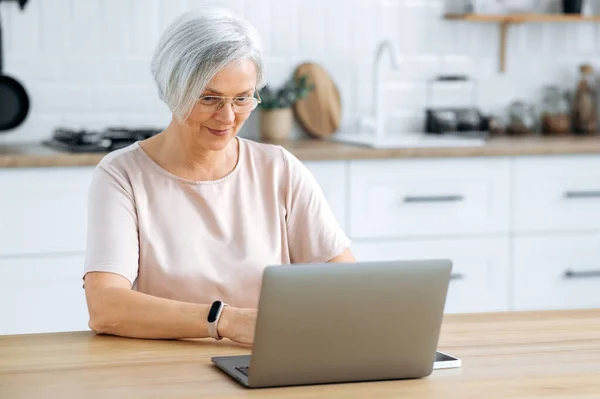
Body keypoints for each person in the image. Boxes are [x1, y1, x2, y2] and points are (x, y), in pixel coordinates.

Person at [82, 7, 355, 346]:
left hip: (267, 362)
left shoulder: (278, 169)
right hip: (163, 368)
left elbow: (346, 284)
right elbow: (106, 307)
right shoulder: (123, 175)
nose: (227, 116)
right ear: (172, 89)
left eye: (241, 98)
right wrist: (225, 321)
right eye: (209, 98)